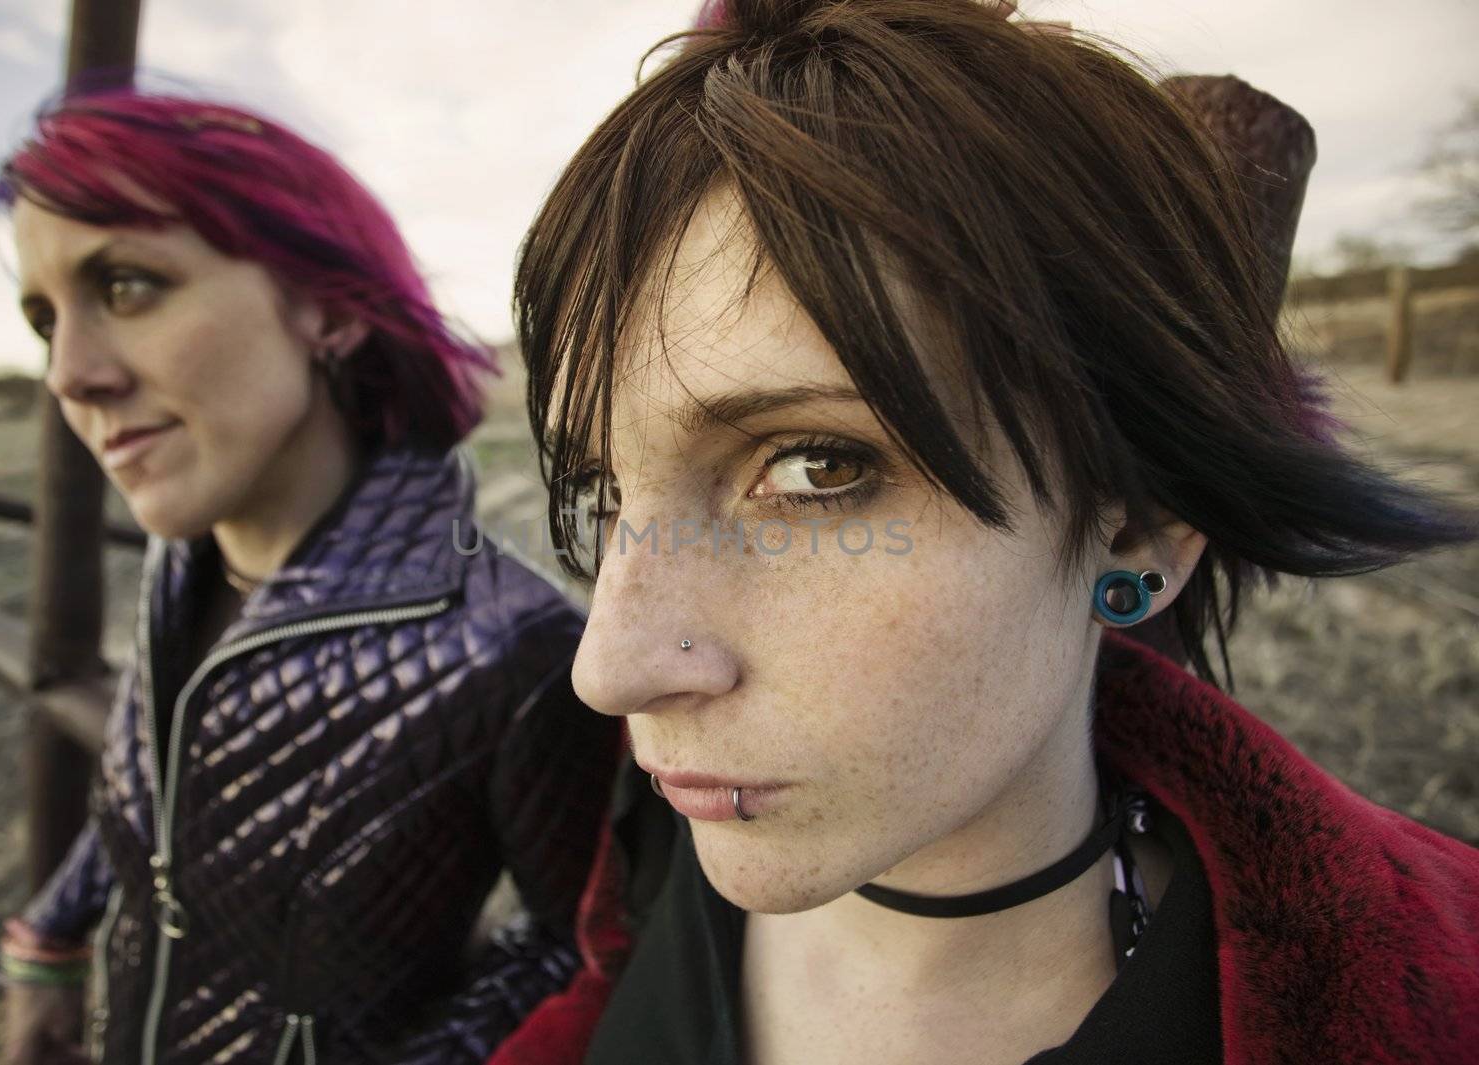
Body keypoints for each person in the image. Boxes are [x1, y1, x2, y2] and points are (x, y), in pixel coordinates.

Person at [490, 1, 1479, 1062]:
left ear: (1139, 531)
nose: (613, 668)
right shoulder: (651, 851)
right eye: (602, 493)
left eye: (815, 468)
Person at [0, 90, 617, 1065]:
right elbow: (149, 793)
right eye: (44, 318)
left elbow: (577, 948)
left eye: (124, 286)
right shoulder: (179, 570)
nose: (67, 374)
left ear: (324, 306)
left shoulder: (515, 647)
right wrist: (47, 940)